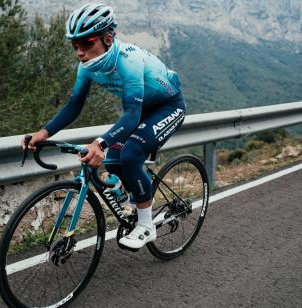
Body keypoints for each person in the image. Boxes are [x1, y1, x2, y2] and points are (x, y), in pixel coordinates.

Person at [22, 3, 186, 249]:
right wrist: (42, 133)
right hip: (140, 111)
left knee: (130, 155)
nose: (80, 52)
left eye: (87, 43)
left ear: (108, 39)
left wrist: (100, 142)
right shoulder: (87, 67)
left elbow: (131, 114)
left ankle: (145, 226)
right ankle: (135, 190)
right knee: (112, 161)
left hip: (167, 106)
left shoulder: (128, 60)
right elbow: (74, 106)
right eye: (75, 45)